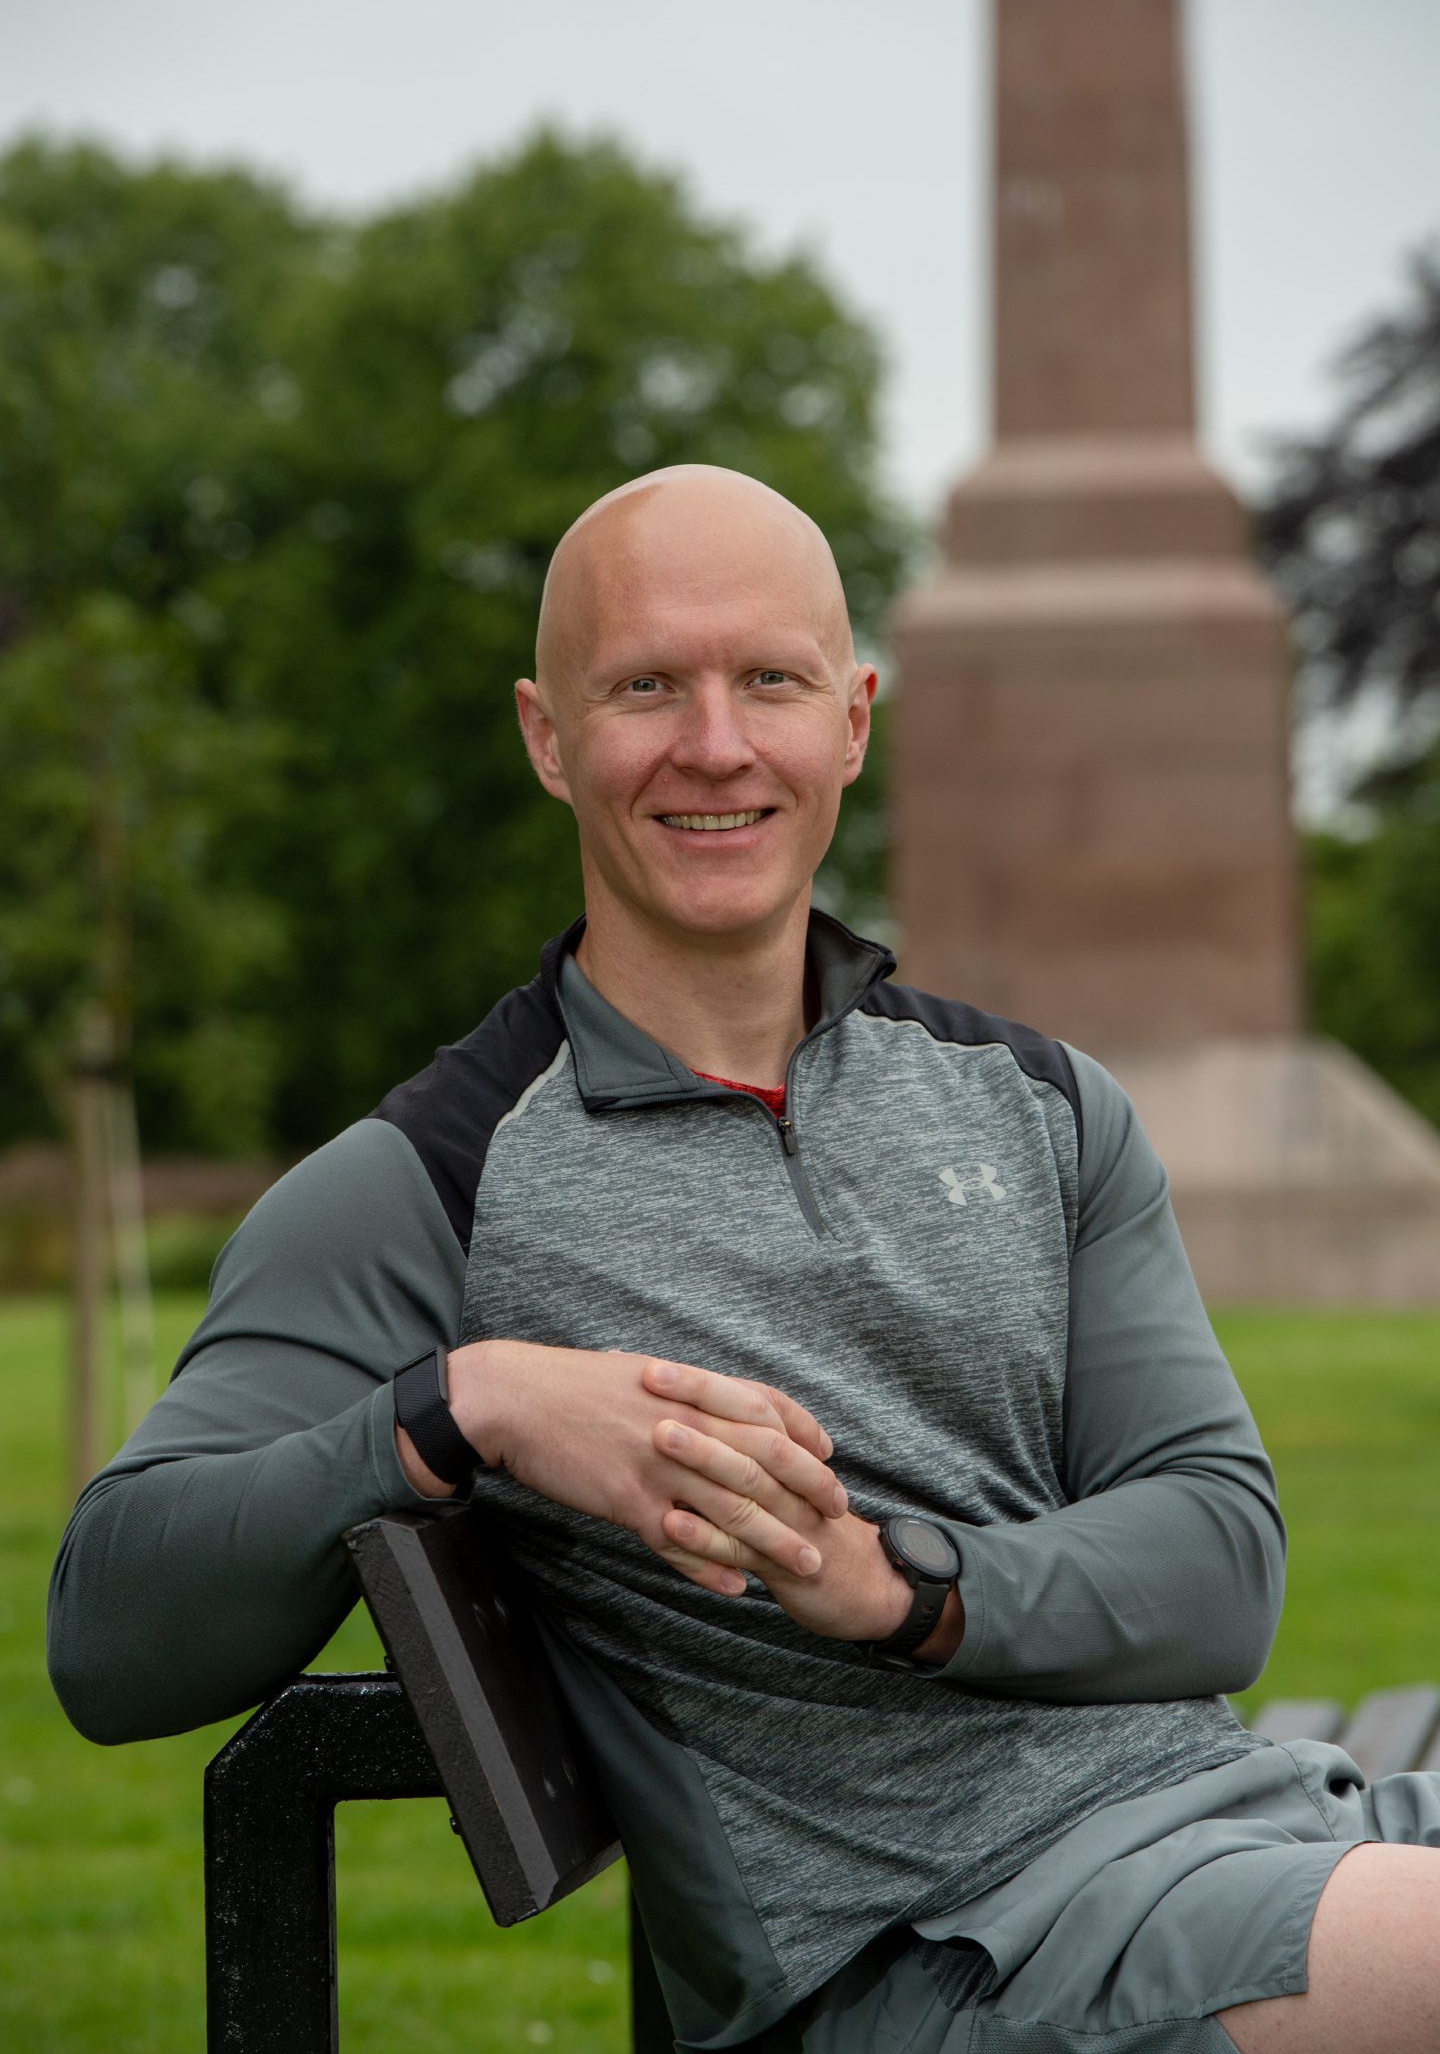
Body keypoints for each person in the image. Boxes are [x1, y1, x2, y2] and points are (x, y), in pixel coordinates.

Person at [48, 466, 1440, 2054]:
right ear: (547, 737)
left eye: (767, 681)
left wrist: (894, 1587)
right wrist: (464, 1406)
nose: (715, 745)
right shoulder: (422, 1184)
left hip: (1246, 1827)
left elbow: (1218, 1562)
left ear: (849, 722)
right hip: (940, 1958)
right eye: (647, 686)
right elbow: (112, 1634)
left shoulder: (1042, 1106)